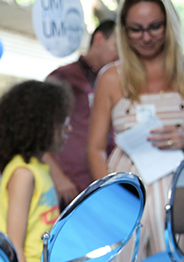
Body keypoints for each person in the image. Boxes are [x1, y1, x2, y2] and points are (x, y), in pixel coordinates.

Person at [86, 0, 184, 262]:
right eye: (136, 30)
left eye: (154, 27)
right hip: (124, 189)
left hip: (179, 187)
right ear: (123, 31)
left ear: (169, 25)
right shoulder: (111, 76)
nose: (146, 37)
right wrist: (107, 196)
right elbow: (94, 148)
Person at [0, 80, 73, 262]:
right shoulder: (23, 174)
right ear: (40, 125)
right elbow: (14, 245)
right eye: (62, 121)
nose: (69, 128)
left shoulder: (40, 168)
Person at [45, 20, 119, 206]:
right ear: (99, 39)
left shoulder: (116, 82)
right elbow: (36, 133)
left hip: (103, 185)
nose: (120, 56)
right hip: (70, 189)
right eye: (117, 47)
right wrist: (58, 177)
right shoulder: (63, 77)